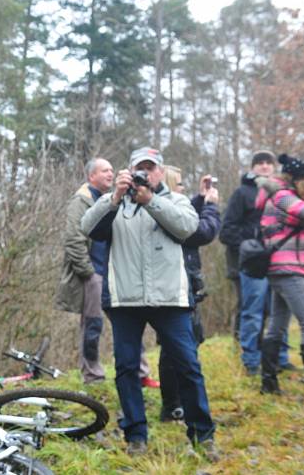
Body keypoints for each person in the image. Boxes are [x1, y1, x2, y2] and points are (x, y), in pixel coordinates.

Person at [81, 147, 217, 460]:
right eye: (139, 168)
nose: (146, 174)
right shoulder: (114, 203)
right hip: (125, 300)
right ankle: (136, 435)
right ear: (128, 172)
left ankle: (203, 435)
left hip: (170, 299)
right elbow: (87, 227)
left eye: (151, 168)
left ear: (160, 172)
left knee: (189, 366)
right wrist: (114, 196)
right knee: (127, 369)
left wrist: (151, 200)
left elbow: (187, 228)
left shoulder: (176, 200)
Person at [55, 158, 158, 387]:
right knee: (93, 327)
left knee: (131, 323)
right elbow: (73, 239)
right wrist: (89, 273)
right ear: (91, 176)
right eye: (105, 171)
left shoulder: (117, 198)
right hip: (95, 274)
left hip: (117, 272)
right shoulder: (81, 200)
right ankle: (93, 376)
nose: (110, 174)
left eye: (112, 169)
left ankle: (141, 374)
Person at [219, 150, 292, 375]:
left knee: (281, 309)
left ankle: (280, 358)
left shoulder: (283, 192)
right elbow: (226, 231)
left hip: (281, 257)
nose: (264, 166)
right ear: (253, 167)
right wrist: (252, 242)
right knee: (253, 311)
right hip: (254, 262)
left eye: (268, 163)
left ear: (274, 167)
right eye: (259, 163)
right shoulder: (242, 193)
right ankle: (251, 360)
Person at [158, 167, 220, 422]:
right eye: (181, 185)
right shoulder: (165, 213)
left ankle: (177, 403)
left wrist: (200, 197)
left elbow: (187, 215)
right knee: (176, 348)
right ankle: (173, 406)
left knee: (186, 343)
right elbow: (200, 230)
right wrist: (211, 207)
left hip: (184, 286)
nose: (184, 189)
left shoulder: (170, 210)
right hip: (176, 289)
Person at [255, 154, 304, 394]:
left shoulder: (286, 193)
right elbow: (303, 212)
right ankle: (268, 381)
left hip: (287, 268)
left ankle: (269, 383)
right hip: (287, 269)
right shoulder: (282, 195)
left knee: (277, 325)